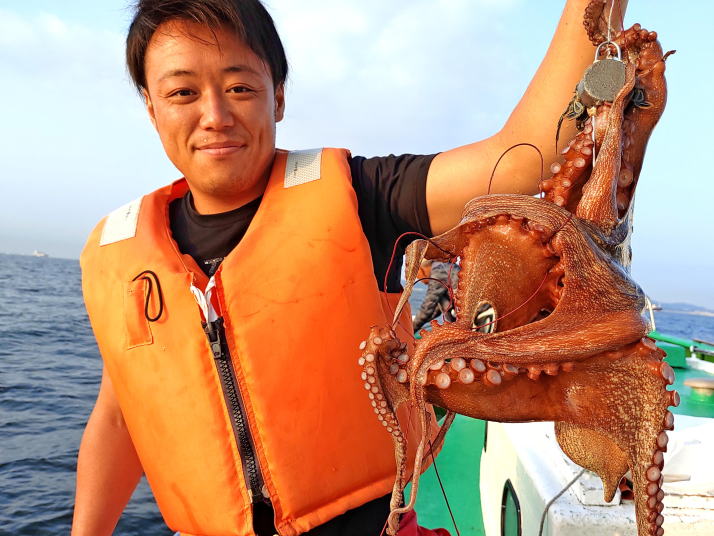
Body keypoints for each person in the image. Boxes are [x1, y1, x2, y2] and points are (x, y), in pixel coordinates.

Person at [72, 1, 628, 535]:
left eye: (240, 87)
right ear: (152, 108)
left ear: (278, 97)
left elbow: (524, 157)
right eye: (182, 92)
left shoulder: (362, 197)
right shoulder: (119, 253)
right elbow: (120, 415)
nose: (215, 116)